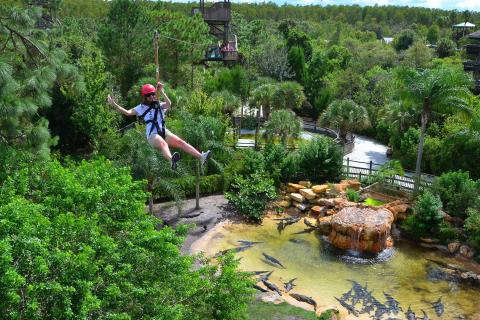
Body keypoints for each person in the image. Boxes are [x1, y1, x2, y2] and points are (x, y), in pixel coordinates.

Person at [107, 82, 211, 170]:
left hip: (163, 130)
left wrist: (162, 91)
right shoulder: (141, 107)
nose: (151, 96)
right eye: (149, 95)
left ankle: (201, 157)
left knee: (181, 142)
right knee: (163, 144)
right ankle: (172, 161)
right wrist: (114, 105)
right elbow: (127, 112)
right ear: (145, 97)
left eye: (153, 94)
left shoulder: (159, 104)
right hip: (152, 134)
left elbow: (169, 104)